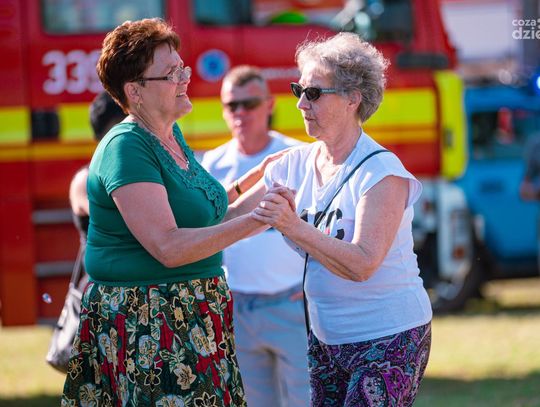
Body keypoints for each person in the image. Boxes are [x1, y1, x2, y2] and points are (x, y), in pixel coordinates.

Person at [61, 18, 286, 406]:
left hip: (192, 318)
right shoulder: (125, 146)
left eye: (182, 68)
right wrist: (261, 217)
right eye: (171, 74)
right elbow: (169, 247)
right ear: (135, 91)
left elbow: (214, 219)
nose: (184, 79)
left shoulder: (170, 135)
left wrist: (269, 181)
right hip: (149, 327)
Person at [251, 32, 433, 406]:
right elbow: (227, 216)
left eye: (314, 93)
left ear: (353, 98)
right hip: (326, 338)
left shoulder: (381, 171)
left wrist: (293, 226)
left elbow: (363, 263)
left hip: (389, 334)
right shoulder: (292, 165)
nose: (301, 103)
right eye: (298, 90)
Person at [201, 65, 310, 407]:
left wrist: (312, 287)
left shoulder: (294, 156)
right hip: (238, 307)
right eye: (232, 105)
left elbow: (321, 226)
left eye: (249, 104)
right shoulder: (212, 164)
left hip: (292, 302)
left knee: (307, 399)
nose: (240, 113)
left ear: (269, 104)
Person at [69, 91, 126, 253]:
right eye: (118, 131)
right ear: (100, 137)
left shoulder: (146, 172)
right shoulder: (85, 179)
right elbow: (114, 224)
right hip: (102, 268)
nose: (127, 138)